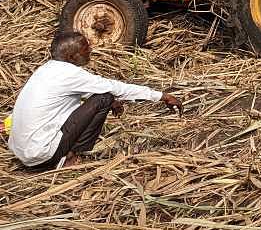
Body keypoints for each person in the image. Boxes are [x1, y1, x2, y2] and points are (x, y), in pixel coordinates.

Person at [9, 31, 183, 170]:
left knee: (105, 97)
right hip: (42, 154)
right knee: (104, 97)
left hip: (24, 153)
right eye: (85, 47)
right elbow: (114, 88)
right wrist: (161, 96)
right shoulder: (70, 74)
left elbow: (72, 96)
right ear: (71, 57)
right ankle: (70, 157)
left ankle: (64, 153)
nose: (90, 50)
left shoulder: (46, 70)